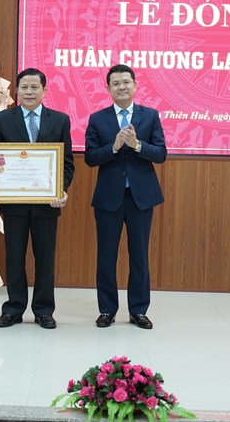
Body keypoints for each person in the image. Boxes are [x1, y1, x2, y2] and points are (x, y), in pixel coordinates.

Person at [0, 68, 75, 330]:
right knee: (14, 258)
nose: (29, 92)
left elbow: (67, 163)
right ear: (16, 91)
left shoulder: (60, 120)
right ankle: (13, 309)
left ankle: (44, 311)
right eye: (24, 87)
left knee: (45, 259)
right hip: (14, 204)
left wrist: (61, 189)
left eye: (35, 87)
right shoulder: (4, 119)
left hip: (47, 204)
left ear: (44, 90)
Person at [84, 64, 166, 329]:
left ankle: (138, 310)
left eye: (126, 82)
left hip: (141, 197)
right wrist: (115, 146)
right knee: (106, 257)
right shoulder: (98, 119)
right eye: (116, 83)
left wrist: (137, 145)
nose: (121, 87)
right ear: (108, 89)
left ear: (135, 85)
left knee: (139, 255)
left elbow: (160, 154)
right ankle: (107, 310)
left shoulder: (150, 116)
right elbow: (90, 158)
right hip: (109, 197)